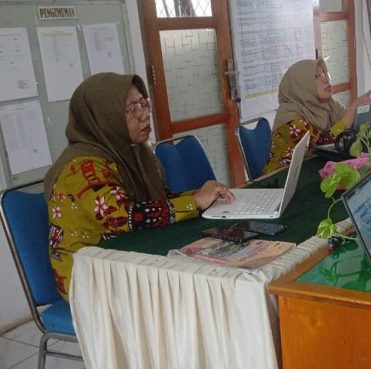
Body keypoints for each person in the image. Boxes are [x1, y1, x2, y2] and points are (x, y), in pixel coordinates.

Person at [45, 73, 233, 299]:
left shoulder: (133, 152)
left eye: (144, 103)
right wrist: (194, 202)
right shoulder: (81, 167)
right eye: (132, 109)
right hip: (90, 278)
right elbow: (122, 217)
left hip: (127, 260)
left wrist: (201, 195)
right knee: (197, 290)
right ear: (103, 118)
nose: (144, 114)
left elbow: (157, 201)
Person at [265, 59, 371, 174]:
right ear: (302, 85)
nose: (326, 79)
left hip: (313, 169)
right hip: (281, 178)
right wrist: (354, 107)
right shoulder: (289, 115)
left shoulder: (327, 104)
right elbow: (323, 144)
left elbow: (353, 122)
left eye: (325, 74)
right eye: (317, 76)